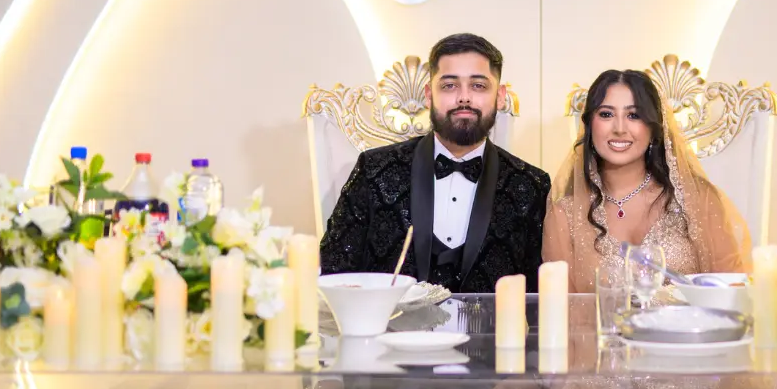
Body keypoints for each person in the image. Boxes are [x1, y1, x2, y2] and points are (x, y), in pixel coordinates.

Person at [320, 34, 551, 293]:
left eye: (478, 86)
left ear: (499, 96)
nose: (464, 98)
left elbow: (538, 296)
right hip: (392, 332)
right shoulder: (374, 170)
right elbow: (334, 272)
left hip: (490, 333)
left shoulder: (531, 185)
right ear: (429, 95)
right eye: (449, 86)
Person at [543, 69, 752, 292]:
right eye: (606, 114)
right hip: (598, 328)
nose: (620, 128)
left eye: (634, 115)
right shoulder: (565, 216)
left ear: (653, 130)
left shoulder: (698, 200)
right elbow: (564, 312)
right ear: (589, 126)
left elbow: (731, 292)